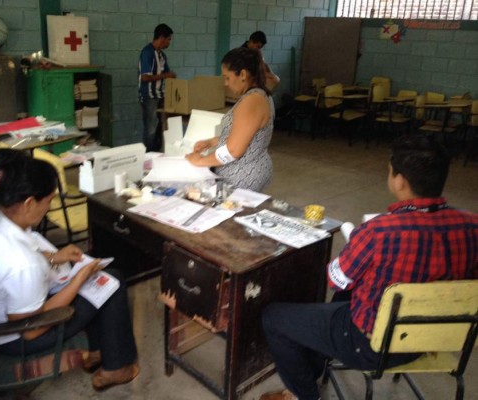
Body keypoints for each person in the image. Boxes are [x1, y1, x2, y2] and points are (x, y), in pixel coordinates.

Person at [259, 134, 478, 400]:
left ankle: (304, 395)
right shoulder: (472, 226)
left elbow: (336, 280)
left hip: (372, 345)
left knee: (274, 317)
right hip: (433, 339)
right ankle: (318, 365)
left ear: (399, 180)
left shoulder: (378, 230)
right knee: (339, 303)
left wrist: (355, 250)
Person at [0, 149, 139, 391]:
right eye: (49, 200)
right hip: (12, 336)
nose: (49, 207)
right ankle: (116, 369)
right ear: (29, 202)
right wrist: (79, 279)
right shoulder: (20, 263)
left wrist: (54, 256)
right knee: (111, 282)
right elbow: (32, 330)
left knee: (98, 282)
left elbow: (9, 255)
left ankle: (96, 352)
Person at [185, 47, 275, 192]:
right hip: (254, 168)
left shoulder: (251, 101)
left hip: (242, 176)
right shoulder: (262, 95)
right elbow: (245, 135)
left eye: (227, 77)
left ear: (243, 74)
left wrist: (200, 161)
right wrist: (212, 141)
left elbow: (233, 150)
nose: (226, 83)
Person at [138, 23, 176, 152]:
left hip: (161, 95)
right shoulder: (147, 53)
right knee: (151, 128)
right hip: (149, 96)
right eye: (169, 39)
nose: (169, 42)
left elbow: (167, 74)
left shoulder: (162, 56)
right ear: (161, 38)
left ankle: (157, 153)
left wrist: (170, 76)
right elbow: (145, 77)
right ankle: (149, 155)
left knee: (160, 128)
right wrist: (166, 75)